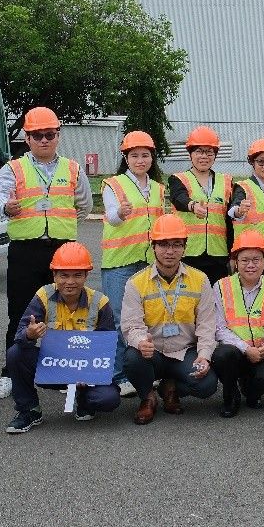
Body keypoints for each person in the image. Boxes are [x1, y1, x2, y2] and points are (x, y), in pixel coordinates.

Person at [0, 106, 92, 400]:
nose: (44, 140)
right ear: (27, 138)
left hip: (63, 251)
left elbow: (83, 206)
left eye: (49, 134)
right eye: (37, 135)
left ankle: (61, 371)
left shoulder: (73, 169)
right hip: (26, 249)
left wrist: (62, 225)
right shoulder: (13, 168)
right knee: (20, 312)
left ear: (58, 135)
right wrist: (6, 207)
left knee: (65, 311)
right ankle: (10, 374)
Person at [3, 242, 121, 433]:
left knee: (108, 399)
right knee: (16, 353)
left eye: (77, 275)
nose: (70, 282)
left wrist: (89, 373)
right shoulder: (43, 295)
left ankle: (84, 399)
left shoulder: (100, 302)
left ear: (86, 276)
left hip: (85, 370)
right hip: (53, 367)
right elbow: (20, 335)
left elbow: (106, 350)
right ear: (54, 275)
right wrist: (30, 334)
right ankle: (29, 410)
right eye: (64, 275)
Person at [121, 214, 218, 424]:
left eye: (176, 245)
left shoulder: (200, 280)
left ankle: (170, 387)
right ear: (153, 247)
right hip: (152, 352)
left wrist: (204, 356)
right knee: (132, 358)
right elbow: (131, 325)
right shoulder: (136, 283)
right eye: (164, 244)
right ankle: (148, 397)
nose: (170, 251)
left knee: (207, 385)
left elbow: (207, 324)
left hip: (185, 352)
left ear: (184, 248)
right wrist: (140, 342)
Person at [101, 130, 166, 397]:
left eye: (145, 155)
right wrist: (120, 213)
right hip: (120, 262)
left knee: (148, 319)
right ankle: (119, 374)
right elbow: (110, 217)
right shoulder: (113, 184)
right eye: (135, 155)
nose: (140, 160)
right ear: (126, 158)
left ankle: (145, 371)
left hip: (149, 263)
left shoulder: (159, 189)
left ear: (152, 158)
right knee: (120, 320)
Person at [211, 230, 264, 417]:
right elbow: (219, 328)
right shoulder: (221, 286)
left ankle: (250, 390)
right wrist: (246, 349)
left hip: (262, 349)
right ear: (235, 262)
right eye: (244, 260)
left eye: (256, 260)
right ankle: (230, 395)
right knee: (222, 355)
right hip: (235, 350)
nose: (251, 265)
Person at [169, 125, 233, 284]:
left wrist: (233, 254)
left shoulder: (226, 181)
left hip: (218, 255)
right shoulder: (178, 179)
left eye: (209, 152)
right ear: (190, 153)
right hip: (188, 253)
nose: (204, 156)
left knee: (217, 298)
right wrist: (192, 206)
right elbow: (178, 198)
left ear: (215, 155)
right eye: (199, 151)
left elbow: (229, 221)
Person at [230, 138, 264, 277]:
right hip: (251, 257)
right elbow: (233, 210)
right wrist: (239, 211)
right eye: (261, 161)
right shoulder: (243, 187)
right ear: (252, 162)